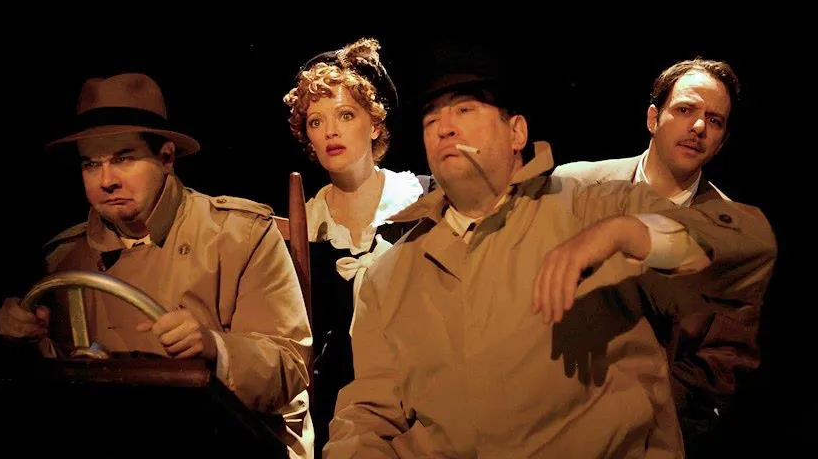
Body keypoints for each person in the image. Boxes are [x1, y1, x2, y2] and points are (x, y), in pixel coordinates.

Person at [322, 45, 777, 458]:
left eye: (465, 109)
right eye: (430, 119)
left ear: (516, 131)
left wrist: (626, 233)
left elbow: (740, 247)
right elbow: (368, 410)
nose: (445, 127)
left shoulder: (591, 203)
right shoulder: (392, 274)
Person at [0, 72, 314, 457]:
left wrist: (216, 347)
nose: (106, 180)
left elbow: (290, 368)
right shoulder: (65, 258)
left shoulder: (239, 235)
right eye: (91, 165)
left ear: (165, 158)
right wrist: (29, 338)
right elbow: (66, 386)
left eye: (123, 159)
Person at [552, 58, 772, 454]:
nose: (699, 128)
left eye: (715, 121)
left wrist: (639, 416)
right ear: (654, 118)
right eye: (685, 110)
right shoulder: (570, 186)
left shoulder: (732, 238)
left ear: (722, 141)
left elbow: (723, 361)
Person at [283, 37, 434, 457]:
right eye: (316, 121)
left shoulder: (424, 202)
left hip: (426, 398)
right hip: (337, 410)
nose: (330, 131)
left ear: (374, 123)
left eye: (345, 115)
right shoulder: (303, 229)